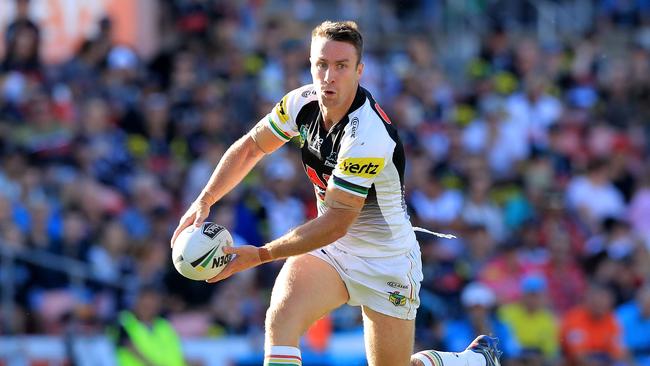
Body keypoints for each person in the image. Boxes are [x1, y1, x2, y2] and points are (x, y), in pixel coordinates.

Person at [172, 20, 502, 366]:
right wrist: (205, 199)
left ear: (359, 70)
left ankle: (472, 361)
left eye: (341, 66)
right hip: (330, 250)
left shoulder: (368, 135)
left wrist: (261, 254)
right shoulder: (300, 103)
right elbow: (251, 148)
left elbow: (337, 221)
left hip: (385, 261)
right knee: (281, 318)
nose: (329, 76)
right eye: (321, 64)